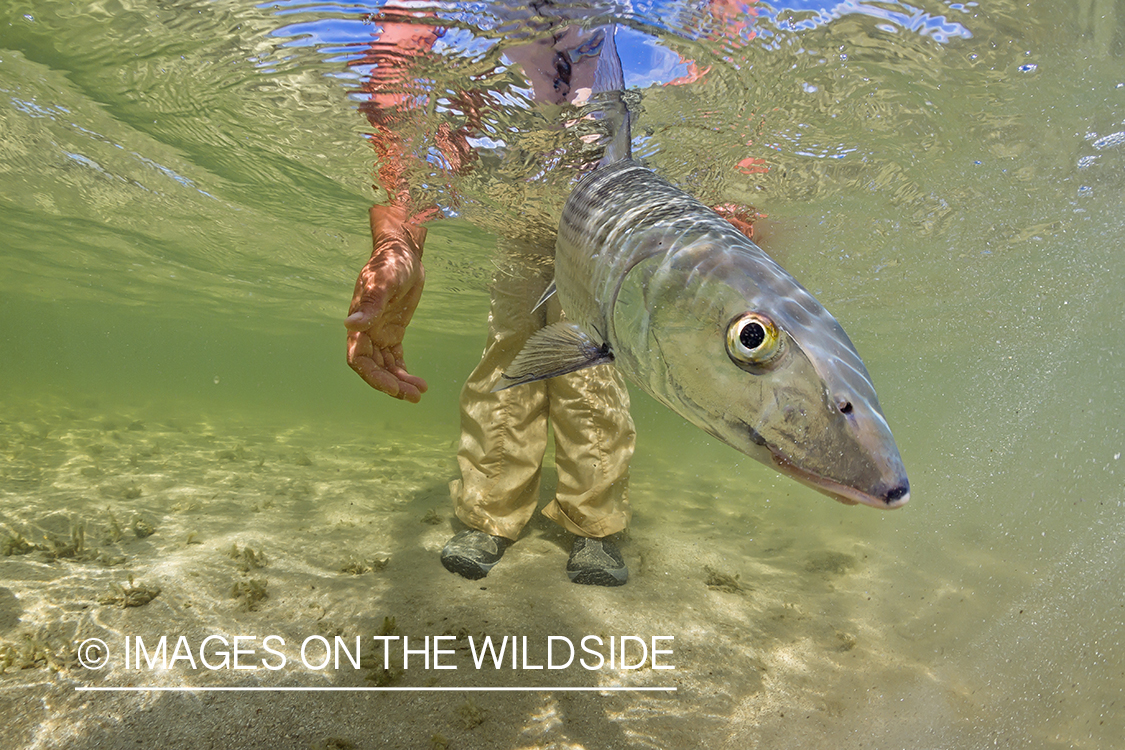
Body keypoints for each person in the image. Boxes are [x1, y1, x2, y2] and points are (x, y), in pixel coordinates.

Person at [345, 6, 760, 587]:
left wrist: (734, 207)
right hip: (521, 191)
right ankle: (490, 513)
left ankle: (596, 523)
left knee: (589, 363)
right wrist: (397, 237)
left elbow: (724, 58)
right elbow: (397, 69)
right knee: (509, 349)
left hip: (595, 202)